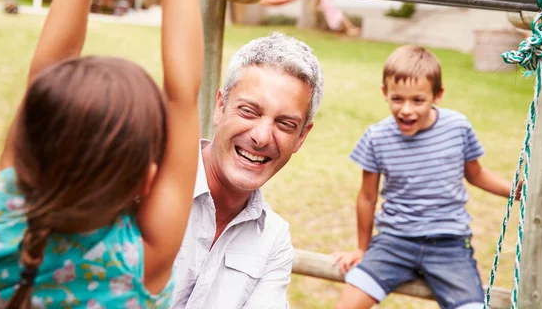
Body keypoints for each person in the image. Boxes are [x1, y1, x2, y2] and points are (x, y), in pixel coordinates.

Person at [0, 0, 208, 308]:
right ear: (147, 179)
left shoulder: (0, 217)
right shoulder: (138, 265)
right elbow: (183, 96)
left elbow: (45, 77)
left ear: (28, 151)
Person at [332, 45, 521, 309]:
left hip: (449, 245)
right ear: (385, 93)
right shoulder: (377, 137)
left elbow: (476, 174)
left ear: (437, 95)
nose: (406, 110)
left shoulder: (457, 127)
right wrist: (362, 250)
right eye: (397, 99)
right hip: (393, 243)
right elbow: (367, 197)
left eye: (417, 101)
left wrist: (515, 191)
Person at [171, 32, 325, 309]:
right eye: (249, 111)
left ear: (301, 137)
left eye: (286, 124)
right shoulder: (150, 182)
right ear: (220, 107)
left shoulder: (273, 240)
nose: (262, 137)